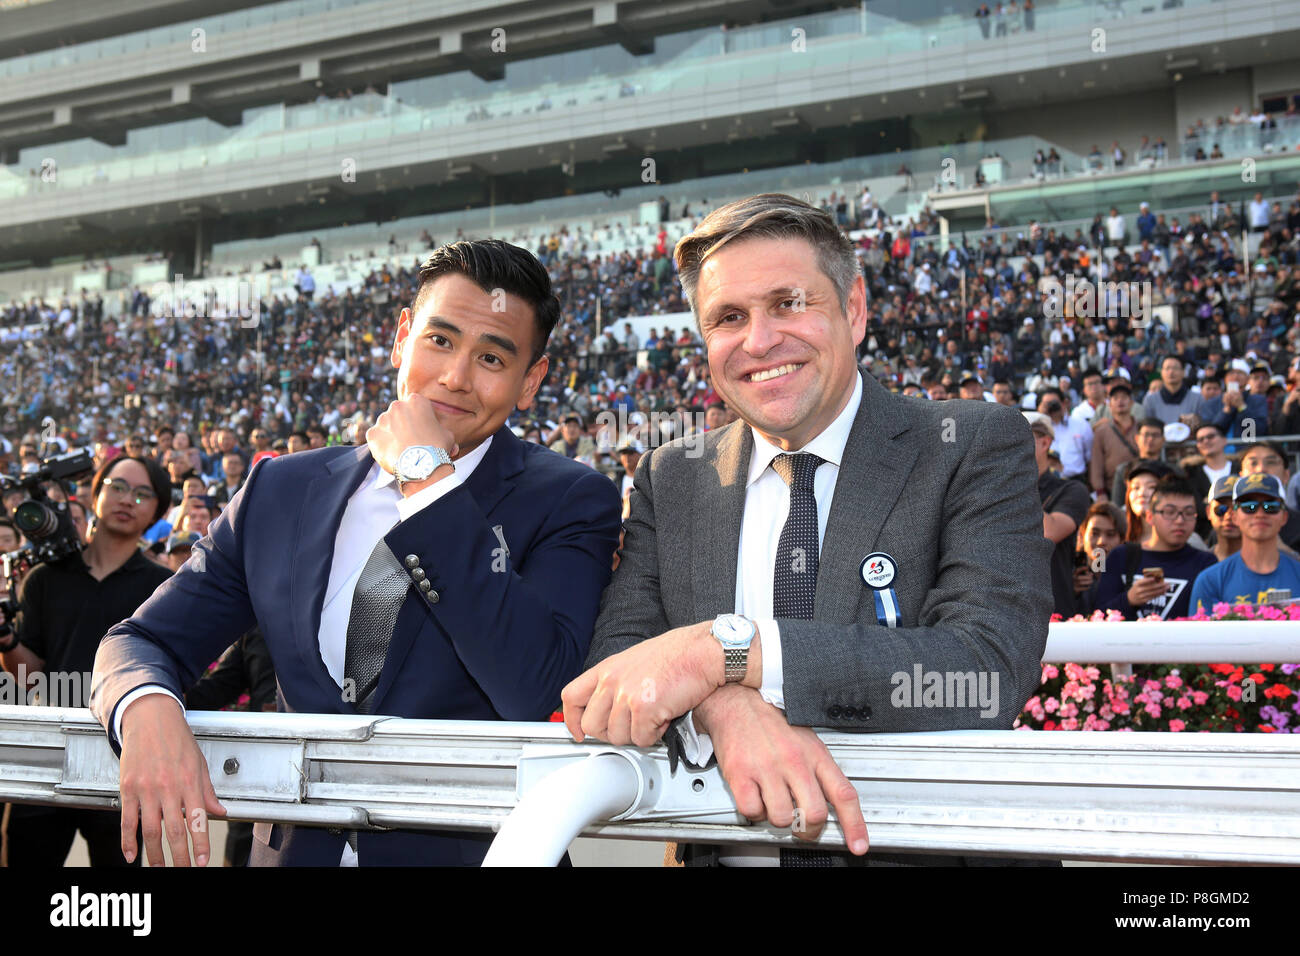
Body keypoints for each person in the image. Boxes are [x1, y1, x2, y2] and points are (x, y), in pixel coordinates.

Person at [89, 240, 623, 867]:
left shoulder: (571, 499)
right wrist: (147, 708)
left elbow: (532, 688)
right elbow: (142, 641)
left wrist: (429, 484)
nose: (454, 376)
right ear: (402, 338)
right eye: (441, 341)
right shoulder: (278, 490)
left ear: (530, 381)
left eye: (491, 357)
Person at [562, 193, 1052, 867]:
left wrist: (722, 651)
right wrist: (725, 708)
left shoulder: (969, 442)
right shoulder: (672, 475)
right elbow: (619, 666)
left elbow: (985, 670)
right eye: (729, 317)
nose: (760, 341)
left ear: (853, 310)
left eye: (789, 303)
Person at [0, 455, 173, 867]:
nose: (127, 499)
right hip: (48, 753)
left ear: (158, 510)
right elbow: (31, 675)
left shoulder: (161, 588)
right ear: (95, 495)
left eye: (142, 493)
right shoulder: (44, 577)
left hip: (123, 762)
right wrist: (6, 641)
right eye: (117, 486)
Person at [1094, 474, 1217, 621]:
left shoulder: (1206, 563)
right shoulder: (1121, 557)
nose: (1180, 520)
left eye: (1188, 513)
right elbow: (1097, 615)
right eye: (1169, 512)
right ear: (1150, 516)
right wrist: (1129, 599)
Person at [1190, 474, 1300, 611]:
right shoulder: (1210, 580)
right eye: (1249, 506)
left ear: (1284, 517)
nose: (1260, 514)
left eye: (1270, 506)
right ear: (1235, 516)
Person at [1029, 413, 1091, 618]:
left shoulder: (1072, 490)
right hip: (1000, 612)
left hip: (1052, 612)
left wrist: (1017, 480)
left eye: (1017, 439)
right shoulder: (992, 488)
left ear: (1044, 442)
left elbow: (1048, 532)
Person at [1237, 440, 1300, 550]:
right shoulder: (1227, 523)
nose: (1261, 469)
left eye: (1270, 462)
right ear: (1241, 475)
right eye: (1253, 463)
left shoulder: (1297, 525)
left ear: (1286, 475)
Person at [1090, 380, 1139, 502]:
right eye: (1115, 398)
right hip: (1112, 488)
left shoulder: (1141, 428)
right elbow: (1096, 464)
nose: (1120, 401)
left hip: (1139, 485)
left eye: (1124, 397)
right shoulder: (1102, 431)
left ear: (1131, 402)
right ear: (1110, 405)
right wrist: (1100, 492)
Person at [1072, 501, 1125, 616]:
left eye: (1110, 534)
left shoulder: (1129, 577)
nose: (1101, 542)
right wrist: (1071, 592)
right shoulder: (1066, 574)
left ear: (1122, 540)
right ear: (1081, 536)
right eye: (1094, 533)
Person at [1110, 418, 1172, 504]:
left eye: (1155, 435)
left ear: (1163, 439)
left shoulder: (1171, 472)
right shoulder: (1123, 470)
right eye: (1146, 435)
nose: (1150, 439)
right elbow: (1118, 504)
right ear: (1137, 439)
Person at [1142, 356, 1200, 426]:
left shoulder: (1197, 399)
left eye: (1175, 368)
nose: (1171, 372)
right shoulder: (1150, 400)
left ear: (1183, 372)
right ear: (1161, 372)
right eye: (1167, 368)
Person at [1203, 475, 1241, 562]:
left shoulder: (1266, 563)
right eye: (1221, 509)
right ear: (1208, 512)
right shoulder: (1200, 563)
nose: (1228, 516)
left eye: (1236, 509)